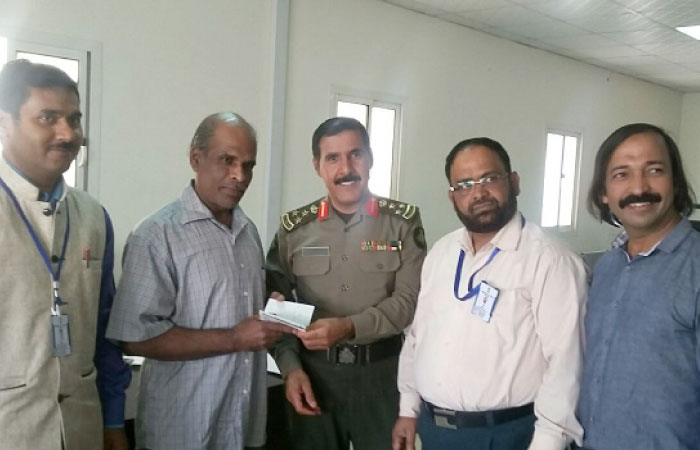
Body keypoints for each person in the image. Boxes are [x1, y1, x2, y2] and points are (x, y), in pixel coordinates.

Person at [106, 112, 293, 449]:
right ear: (196, 158)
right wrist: (235, 338)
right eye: (227, 161)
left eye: (248, 165)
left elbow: (232, 307)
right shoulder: (157, 235)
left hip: (241, 424)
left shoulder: (247, 231)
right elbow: (134, 339)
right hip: (183, 429)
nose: (240, 175)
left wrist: (270, 309)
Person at [393, 137, 587, 450]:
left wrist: (548, 444)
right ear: (452, 196)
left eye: (489, 179)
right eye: (465, 184)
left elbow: (566, 365)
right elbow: (418, 337)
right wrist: (408, 409)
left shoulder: (550, 259)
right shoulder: (442, 253)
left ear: (514, 182)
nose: (479, 193)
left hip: (506, 435)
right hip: (435, 431)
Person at [266, 117, 426, 450]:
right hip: (314, 377)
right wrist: (290, 367)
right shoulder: (294, 229)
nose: (346, 168)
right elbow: (274, 304)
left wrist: (349, 327)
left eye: (355, 155)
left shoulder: (402, 223)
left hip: (383, 377)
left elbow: (409, 301)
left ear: (370, 159)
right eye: (333, 158)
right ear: (317, 166)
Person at [0, 59, 131, 450]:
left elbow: (105, 331)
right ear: (5, 123)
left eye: (74, 119)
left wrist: (112, 421)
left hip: (81, 427)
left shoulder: (92, 216)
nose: (67, 133)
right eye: (48, 118)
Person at [578, 123, 700, 449]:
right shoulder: (607, 267)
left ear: (675, 182)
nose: (639, 187)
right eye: (621, 174)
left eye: (655, 170)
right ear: (604, 193)